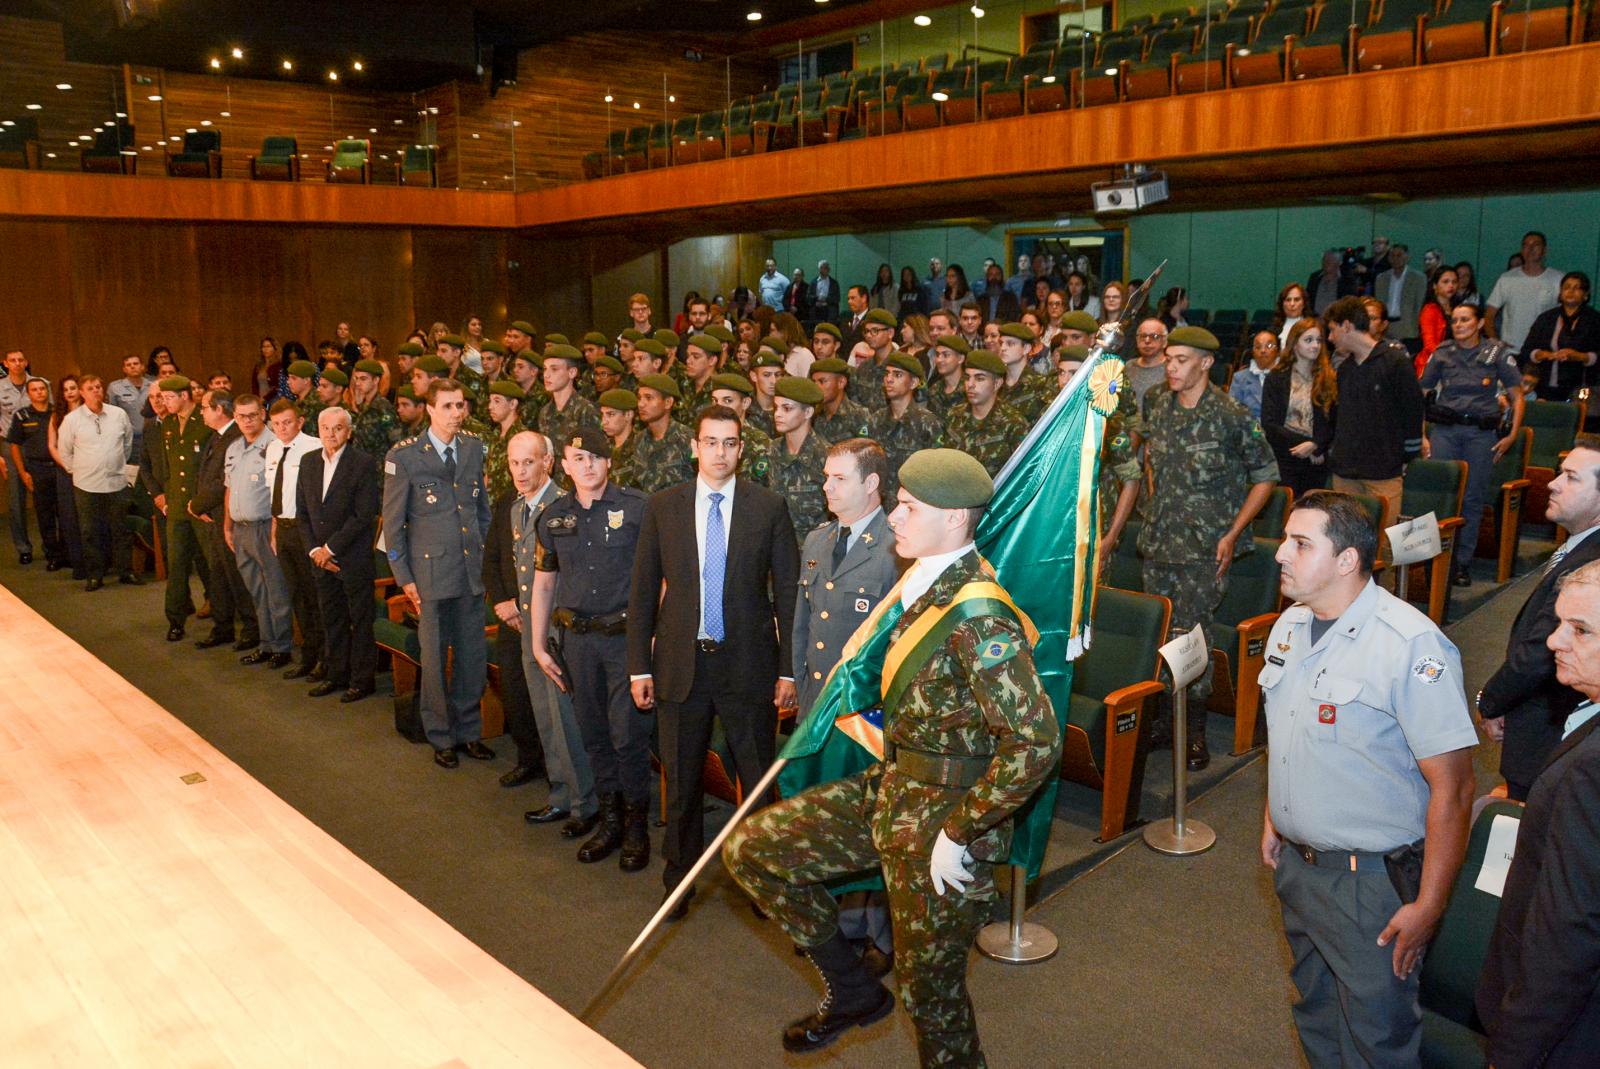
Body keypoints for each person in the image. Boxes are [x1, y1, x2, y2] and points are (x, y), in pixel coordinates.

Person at [725, 448, 1060, 1066]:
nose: (896, 517)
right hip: (893, 789)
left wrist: (961, 831)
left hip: (944, 825)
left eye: (909, 507)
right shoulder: (921, 582)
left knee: (930, 995)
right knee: (754, 850)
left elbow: (1035, 742)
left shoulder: (979, 618)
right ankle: (853, 989)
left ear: (956, 518)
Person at [1260, 490, 1477, 1069]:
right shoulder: (1289, 625)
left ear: (1348, 560)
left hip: (1370, 887)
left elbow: (1454, 790)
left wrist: (1429, 905)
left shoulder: (1409, 644)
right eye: (1286, 538)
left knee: (1376, 1036)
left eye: (1301, 544)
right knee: (1317, 1015)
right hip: (1300, 871)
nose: (1281, 553)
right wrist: (1275, 815)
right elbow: (1291, 727)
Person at [627, 405, 799, 919]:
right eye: (711, 442)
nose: (720, 452)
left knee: (756, 782)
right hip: (681, 666)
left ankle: (764, 881)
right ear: (694, 447)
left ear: (741, 449)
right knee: (680, 783)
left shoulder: (769, 507)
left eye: (730, 443)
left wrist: (787, 669)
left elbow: (788, 595)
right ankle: (678, 883)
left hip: (748, 667)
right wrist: (639, 666)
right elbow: (640, 593)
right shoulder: (664, 506)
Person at [1104, 326, 1279, 770]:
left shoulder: (1231, 415)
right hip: (1158, 540)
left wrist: (1234, 532)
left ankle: (1194, 731)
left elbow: (1265, 476)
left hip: (1204, 549)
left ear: (1205, 363)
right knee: (1163, 635)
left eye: (1181, 359)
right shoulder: (1158, 403)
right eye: (1169, 358)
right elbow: (1138, 448)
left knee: (1193, 634)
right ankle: (1166, 720)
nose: (1171, 366)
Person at [1477, 558, 1600, 1069]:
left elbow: (1566, 934)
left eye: (1580, 629)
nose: (1553, 642)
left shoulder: (1592, 771)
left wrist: (1511, 1052)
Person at [528, 429, 652, 867]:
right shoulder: (553, 517)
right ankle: (611, 823)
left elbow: (663, 577)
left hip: (624, 642)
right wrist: (537, 642)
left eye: (596, 457)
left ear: (609, 462)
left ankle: (637, 828)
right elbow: (545, 583)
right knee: (594, 736)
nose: (587, 465)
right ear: (564, 465)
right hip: (576, 643)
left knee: (627, 737)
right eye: (578, 458)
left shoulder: (637, 509)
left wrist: (651, 633)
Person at [1476, 438, 1600, 799]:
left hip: (1548, 735)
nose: (1553, 483)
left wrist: (1492, 701)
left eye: (1571, 477)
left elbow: (1538, 652)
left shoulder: (1590, 564)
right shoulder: (1580, 547)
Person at [383, 380, 496, 769]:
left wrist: (490, 564)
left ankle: (469, 731)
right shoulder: (406, 456)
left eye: (460, 405)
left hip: (469, 570)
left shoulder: (472, 448)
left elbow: (482, 513)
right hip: (429, 574)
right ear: (429, 409)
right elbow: (394, 524)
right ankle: (440, 734)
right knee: (433, 657)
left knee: (471, 654)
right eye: (447, 406)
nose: (456, 413)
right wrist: (403, 575)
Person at [1420, 302, 1524, 586]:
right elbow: (1423, 393)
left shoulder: (1495, 353)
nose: (1459, 325)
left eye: (1465, 319)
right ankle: (1433, 562)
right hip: (1446, 431)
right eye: (1454, 320)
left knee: (1471, 499)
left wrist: (1512, 434)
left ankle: (1461, 563)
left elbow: (1517, 395)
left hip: (1480, 434)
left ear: (1479, 323)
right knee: (1440, 497)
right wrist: (1423, 435)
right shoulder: (1443, 353)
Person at [793, 439, 899, 716]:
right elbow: (802, 625)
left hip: (862, 707)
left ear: (871, 483)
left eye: (839, 478)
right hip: (813, 699)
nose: (827, 486)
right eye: (827, 477)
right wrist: (801, 686)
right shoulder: (817, 541)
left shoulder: (897, 547)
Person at [1324, 296, 1424, 529]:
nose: (1329, 338)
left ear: (1346, 326)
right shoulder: (1345, 369)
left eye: (1332, 330)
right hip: (1345, 473)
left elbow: (1413, 412)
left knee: (1387, 545)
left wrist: (1408, 456)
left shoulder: (1395, 362)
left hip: (1383, 473)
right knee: (1346, 541)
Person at [222, 395, 294, 670]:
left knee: (276, 590)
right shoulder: (233, 448)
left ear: (262, 414)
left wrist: (275, 531)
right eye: (241, 416)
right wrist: (227, 526)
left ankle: (282, 646)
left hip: (265, 527)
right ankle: (266, 644)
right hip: (240, 529)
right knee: (257, 591)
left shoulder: (274, 446)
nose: (247, 421)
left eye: (252, 415)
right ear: (235, 418)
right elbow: (229, 489)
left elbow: (280, 493)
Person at [189, 390, 257, 652]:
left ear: (219, 409)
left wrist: (197, 504)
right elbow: (206, 475)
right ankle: (223, 626)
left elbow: (223, 482)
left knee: (236, 574)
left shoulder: (234, 437)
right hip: (214, 515)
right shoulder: (216, 436)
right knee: (218, 574)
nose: (201, 412)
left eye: (205, 407)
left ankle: (251, 628)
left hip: (229, 515)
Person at [55, 375, 137, 590]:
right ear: (82, 392)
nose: (96, 391)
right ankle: (95, 575)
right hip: (86, 485)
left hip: (116, 482)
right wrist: (79, 471)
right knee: (90, 531)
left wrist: (116, 464)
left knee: (121, 530)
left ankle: (125, 571)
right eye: (90, 388)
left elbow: (127, 444)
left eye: (98, 387)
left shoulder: (118, 414)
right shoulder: (72, 420)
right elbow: (64, 452)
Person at [264, 400, 324, 679]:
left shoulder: (313, 446)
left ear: (300, 421)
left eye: (287, 422)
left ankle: (325, 658)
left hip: (306, 528)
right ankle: (308, 657)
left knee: (315, 596)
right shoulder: (273, 448)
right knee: (297, 594)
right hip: (284, 528)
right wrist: (275, 530)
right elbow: (275, 493)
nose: (282, 428)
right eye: (275, 424)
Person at [157, 376, 214, 642]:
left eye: (169, 397)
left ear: (184, 396)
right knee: (176, 564)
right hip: (178, 507)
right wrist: (168, 498)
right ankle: (175, 620)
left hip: (201, 505)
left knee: (211, 563)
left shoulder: (203, 422)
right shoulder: (167, 424)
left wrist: (205, 502)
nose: (164, 402)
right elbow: (168, 467)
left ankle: (223, 614)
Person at [1261, 320, 1337, 499]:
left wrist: (1316, 445)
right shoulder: (1276, 378)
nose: (1315, 345)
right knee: (1286, 511)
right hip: (1284, 456)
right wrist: (1305, 445)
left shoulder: (1329, 378)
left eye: (1319, 340)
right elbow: (1269, 423)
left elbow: (1334, 421)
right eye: (1308, 340)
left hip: (1317, 460)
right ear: (1295, 344)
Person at [867, 353, 944, 502]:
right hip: (878, 506)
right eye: (887, 374)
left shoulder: (928, 424)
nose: (889, 379)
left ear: (914, 382)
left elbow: (934, 474)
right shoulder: (875, 420)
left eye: (897, 375)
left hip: (911, 505)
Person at [7, 376, 64, 571]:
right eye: (35, 390)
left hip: (60, 468)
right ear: (29, 394)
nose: (40, 392)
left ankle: (67, 553)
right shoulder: (22, 416)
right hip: (38, 469)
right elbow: (14, 445)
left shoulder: (57, 413)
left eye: (43, 389)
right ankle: (53, 554)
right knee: (45, 514)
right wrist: (23, 472)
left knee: (65, 513)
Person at [946, 350, 1028, 479]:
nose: (970, 385)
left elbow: (1021, 476)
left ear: (997, 383)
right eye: (967, 377)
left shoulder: (1013, 424)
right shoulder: (954, 416)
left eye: (980, 378)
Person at [1522, 270, 1600, 404]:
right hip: (1544, 385)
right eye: (1567, 287)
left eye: (1577, 288)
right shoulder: (1546, 318)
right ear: (1560, 292)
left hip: (1581, 385)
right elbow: (1527, 350)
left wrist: (1580, 356)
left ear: (1586, 295)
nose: (1571, 291)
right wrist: (1541, 354)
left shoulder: (1595, 320)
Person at [610, 373, 695, 493]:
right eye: (639, 398)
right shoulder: (638, 440)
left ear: (668, 402)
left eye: (649, 398)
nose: (641, 404)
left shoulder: (688, 439)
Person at [1486, 231, 1563, 358]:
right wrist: (1496, 341)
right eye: (1526, 245)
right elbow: (1489, 315)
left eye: (1535, 245)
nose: (1530, 249)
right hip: (1509, 352)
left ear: (1545, 250)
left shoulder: (1558, 279)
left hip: (1542, 353)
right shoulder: (1507, 278)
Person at [0, 348, 35, 564]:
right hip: (9, 445)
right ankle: (23, 547)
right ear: (5, 364)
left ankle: (54, 546)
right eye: (12, 360)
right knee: (16, 498)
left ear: (26, 362)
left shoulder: (40, 384)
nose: (17, 363)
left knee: (46, 496)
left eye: (21, 360)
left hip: (37, 445)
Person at [1414, 265, 1457, 375]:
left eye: (1454, 282)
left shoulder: (1458, 309)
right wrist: (1448, 361)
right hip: (1432, 365)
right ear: (1434, 286)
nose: (1451, 285)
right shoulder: (1430, 310)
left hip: (1455, 363)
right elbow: (1430, 345)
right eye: (1445, 282)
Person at [1230, 329, 1279, 420]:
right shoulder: (1240, 378)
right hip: (1252, 428)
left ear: (1278, 350)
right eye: (1258, 347)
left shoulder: (1287, 376)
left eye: (1269, 345)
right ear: (1252, 351)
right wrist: (1256, 432)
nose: (1263, 350)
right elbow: (1233, 411)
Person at [1274, 282, 1312, 347]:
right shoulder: (1274, 329)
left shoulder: (1312, 327)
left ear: (1304, 303)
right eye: (1288, 300)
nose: (1292, 304)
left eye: (1297, 300)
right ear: (1282, 304)